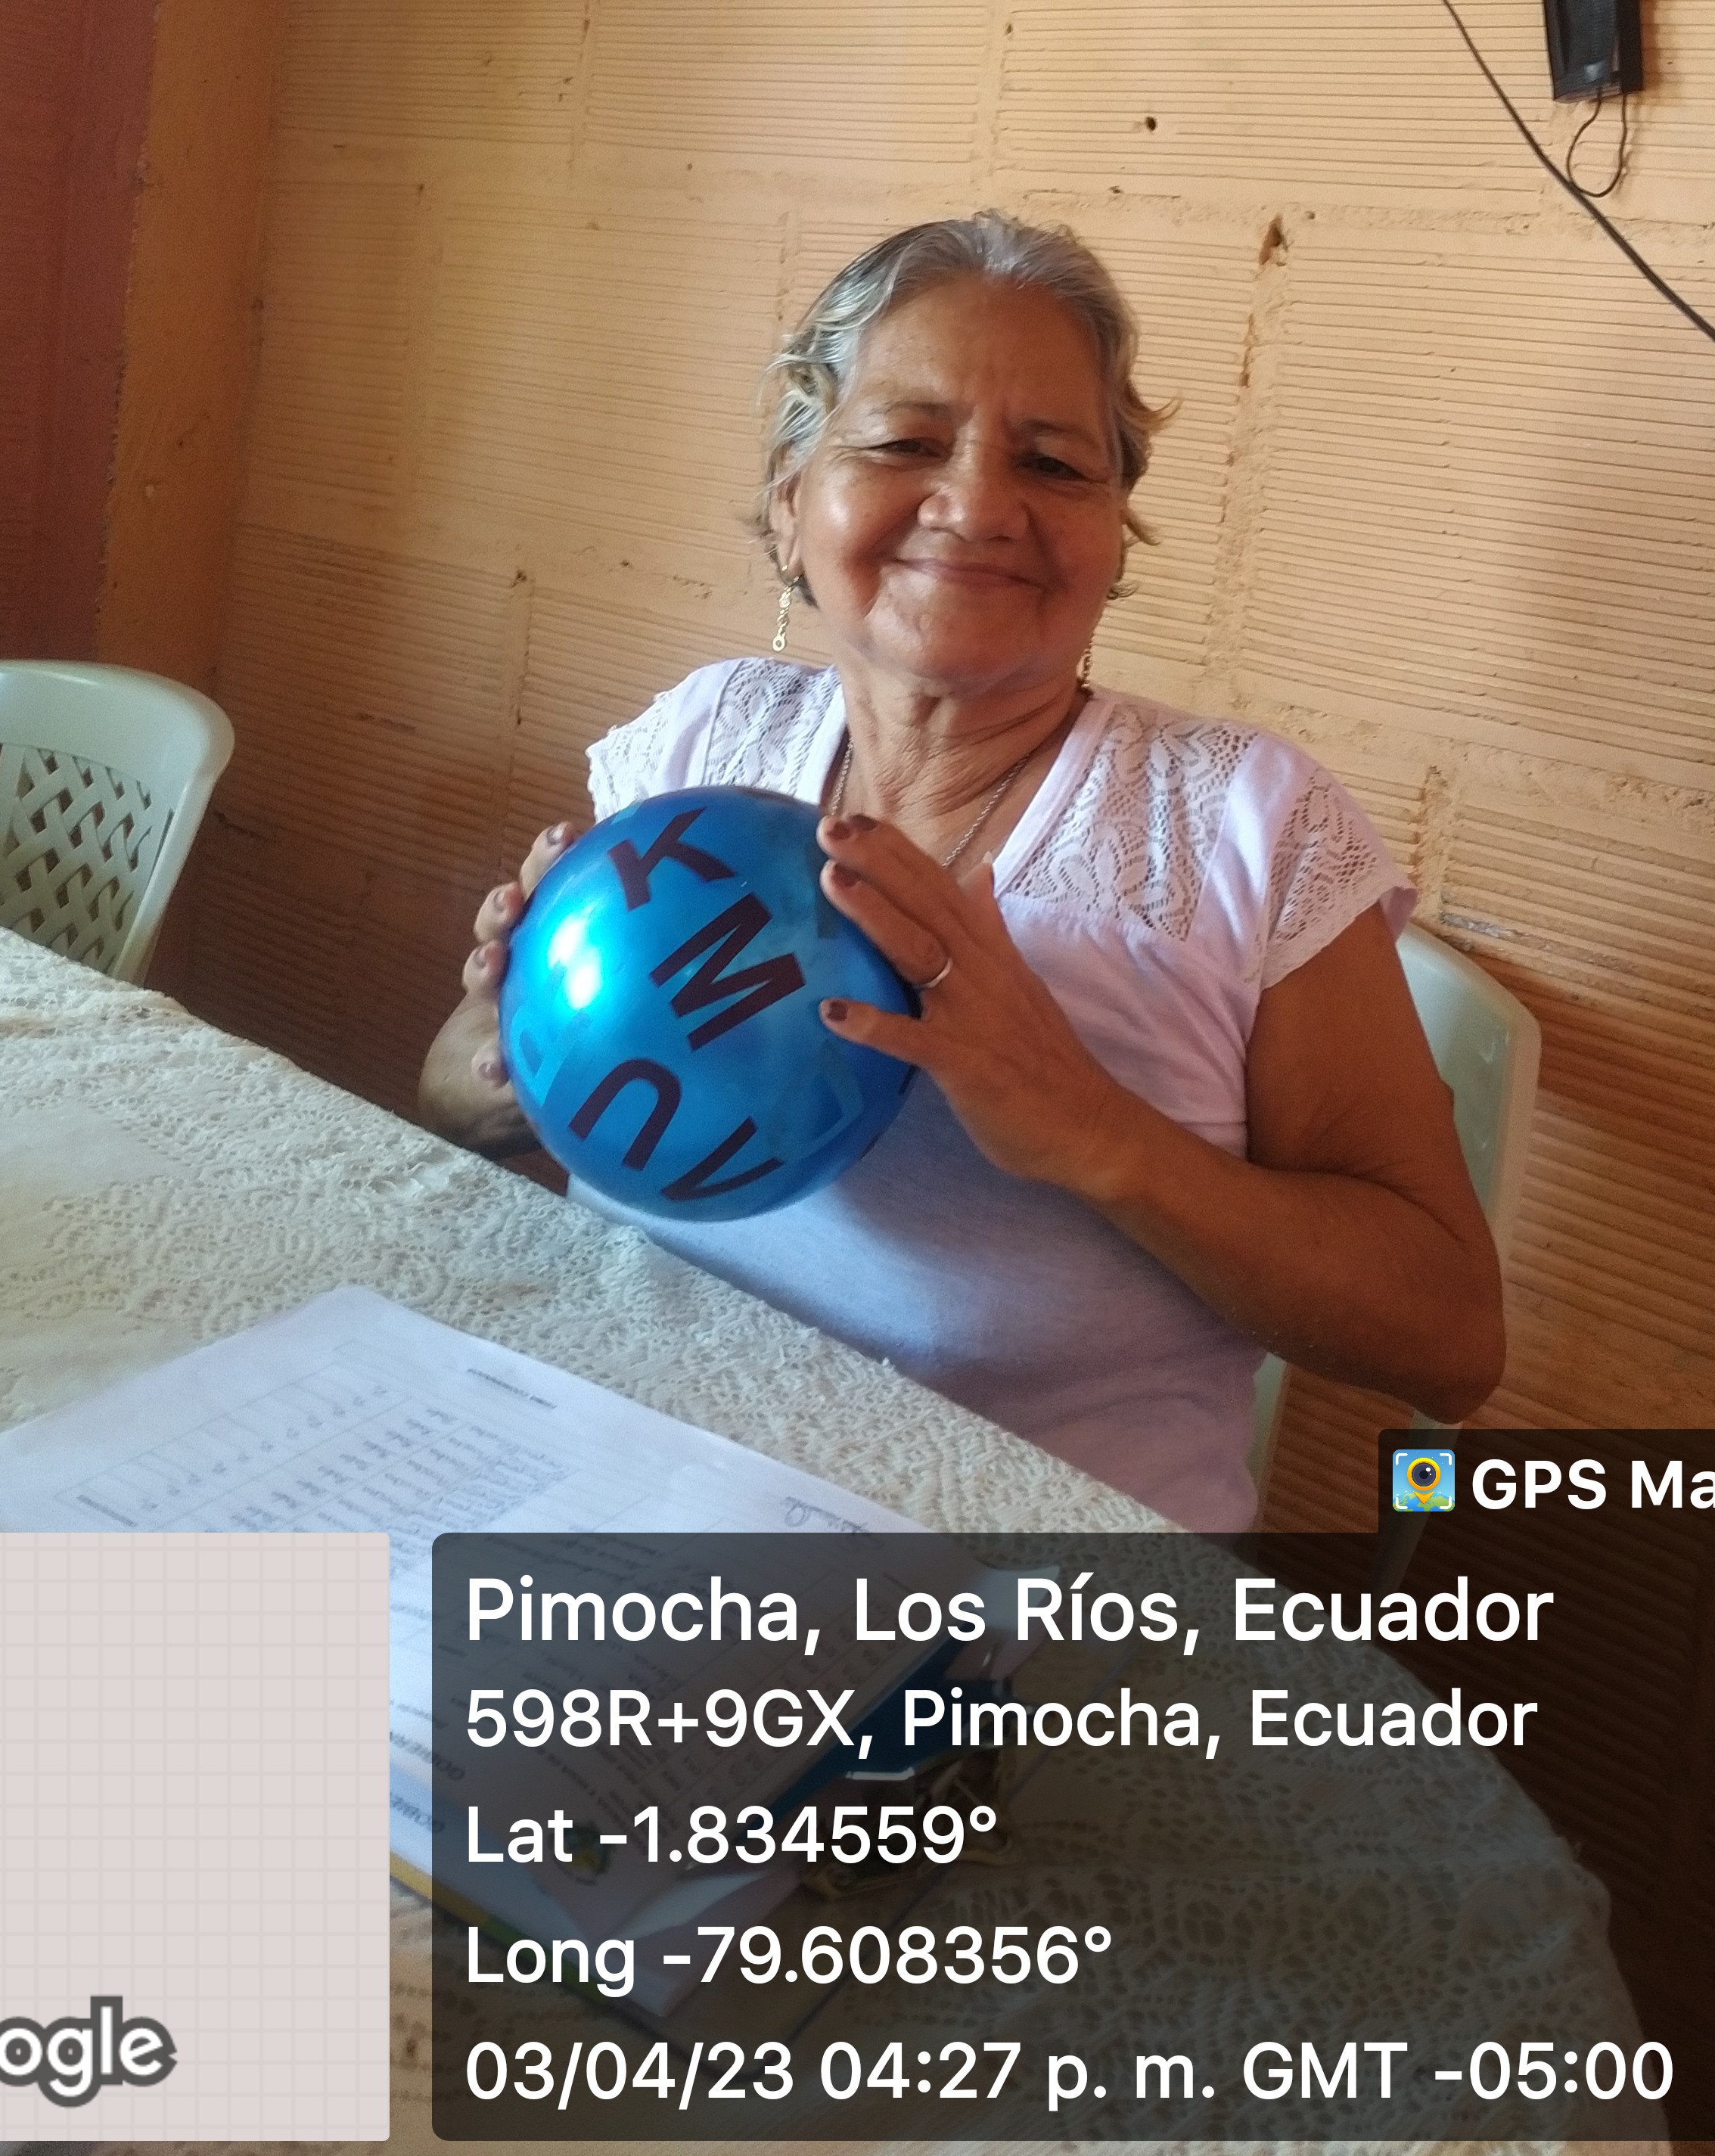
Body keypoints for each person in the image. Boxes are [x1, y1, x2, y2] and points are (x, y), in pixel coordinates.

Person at [423, 216, 1503, 1530]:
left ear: (1112, 539)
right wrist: (503, 1054)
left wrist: (1094, 1132)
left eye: (1053, 462)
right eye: (902, 442)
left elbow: (1449, 1339)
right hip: (605, 1492)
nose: (981, 506)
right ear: (791, 501)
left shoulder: (1246, 827)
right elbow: (455, 1098)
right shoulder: (701, 743)